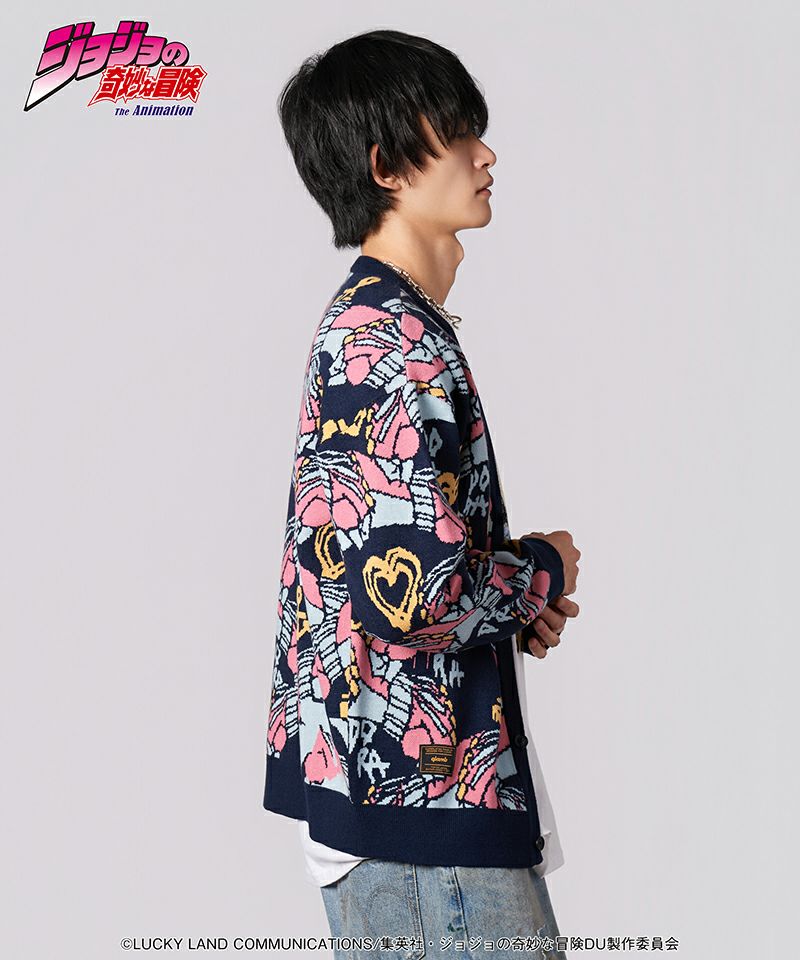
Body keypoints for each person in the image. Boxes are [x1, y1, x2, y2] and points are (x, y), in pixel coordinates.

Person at [263, 28, 581, 960]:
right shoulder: (390, 342)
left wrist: (508, 602)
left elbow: (391, 575)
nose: (487, 157)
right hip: (422, 822)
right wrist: (539, 569)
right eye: (459, 134)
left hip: (402, 808)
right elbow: (413, 598)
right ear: (387, 167)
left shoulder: (381, 327)